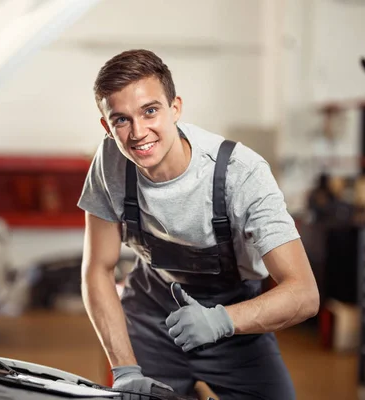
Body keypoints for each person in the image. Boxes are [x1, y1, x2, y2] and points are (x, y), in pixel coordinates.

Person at [77, 49, 319, 400]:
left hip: (235, 322)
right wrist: (125, 369)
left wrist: (222, 321)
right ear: (107, 126)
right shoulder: (110, 162)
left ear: (175, 107)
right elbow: (97, 269)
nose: (138, 133)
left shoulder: (241, 173)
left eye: (150, 111)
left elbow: (304, 293)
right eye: (121, 120)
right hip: (149, 318)